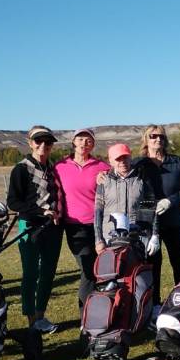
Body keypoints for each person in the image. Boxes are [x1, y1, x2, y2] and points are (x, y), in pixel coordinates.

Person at [7, 126, 64, 334]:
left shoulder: (52, 168)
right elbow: (13, 201)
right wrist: (41, 211)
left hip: (53, 229)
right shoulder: (21, 169)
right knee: (31, 273)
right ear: (30, 143)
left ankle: (41, 316)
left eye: (48, 143)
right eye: (38, 141)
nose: (43, 146)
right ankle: (31, 319)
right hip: (29, 227)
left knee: (48, 273)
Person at [133, 125, 180, 306]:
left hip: (173, 221)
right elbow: (121, 173)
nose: (157, 139)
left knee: (179, 263)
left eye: (161, 136)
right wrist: (103, 174)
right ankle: (154, 304)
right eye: (153, 136)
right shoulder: (138, 164)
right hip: (149, 224)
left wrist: (171, 201)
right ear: (146, 139)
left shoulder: (176, 162)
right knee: (152, 265)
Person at [54, 128, 109, 312]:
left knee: (101, 269)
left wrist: (107, 179)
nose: (84, 143)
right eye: (80, 139)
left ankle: (100, 310)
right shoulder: (60, 167)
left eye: (88, 140)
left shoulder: (102, 167)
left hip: (99, 226)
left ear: (93, 144)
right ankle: (86, 314)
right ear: (73, 142)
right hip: (75, 227)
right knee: (87, 268)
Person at [94, 143, 160, 254]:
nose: (122, 162)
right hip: (110, 237)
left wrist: (155, 235)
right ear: (111, 161)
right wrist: (98, 239)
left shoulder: (142, 178)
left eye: (125, 157)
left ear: (130, 157)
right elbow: (98, 212)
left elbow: (151, 208)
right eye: (118, 159)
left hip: (138, 236)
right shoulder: (104, 180)